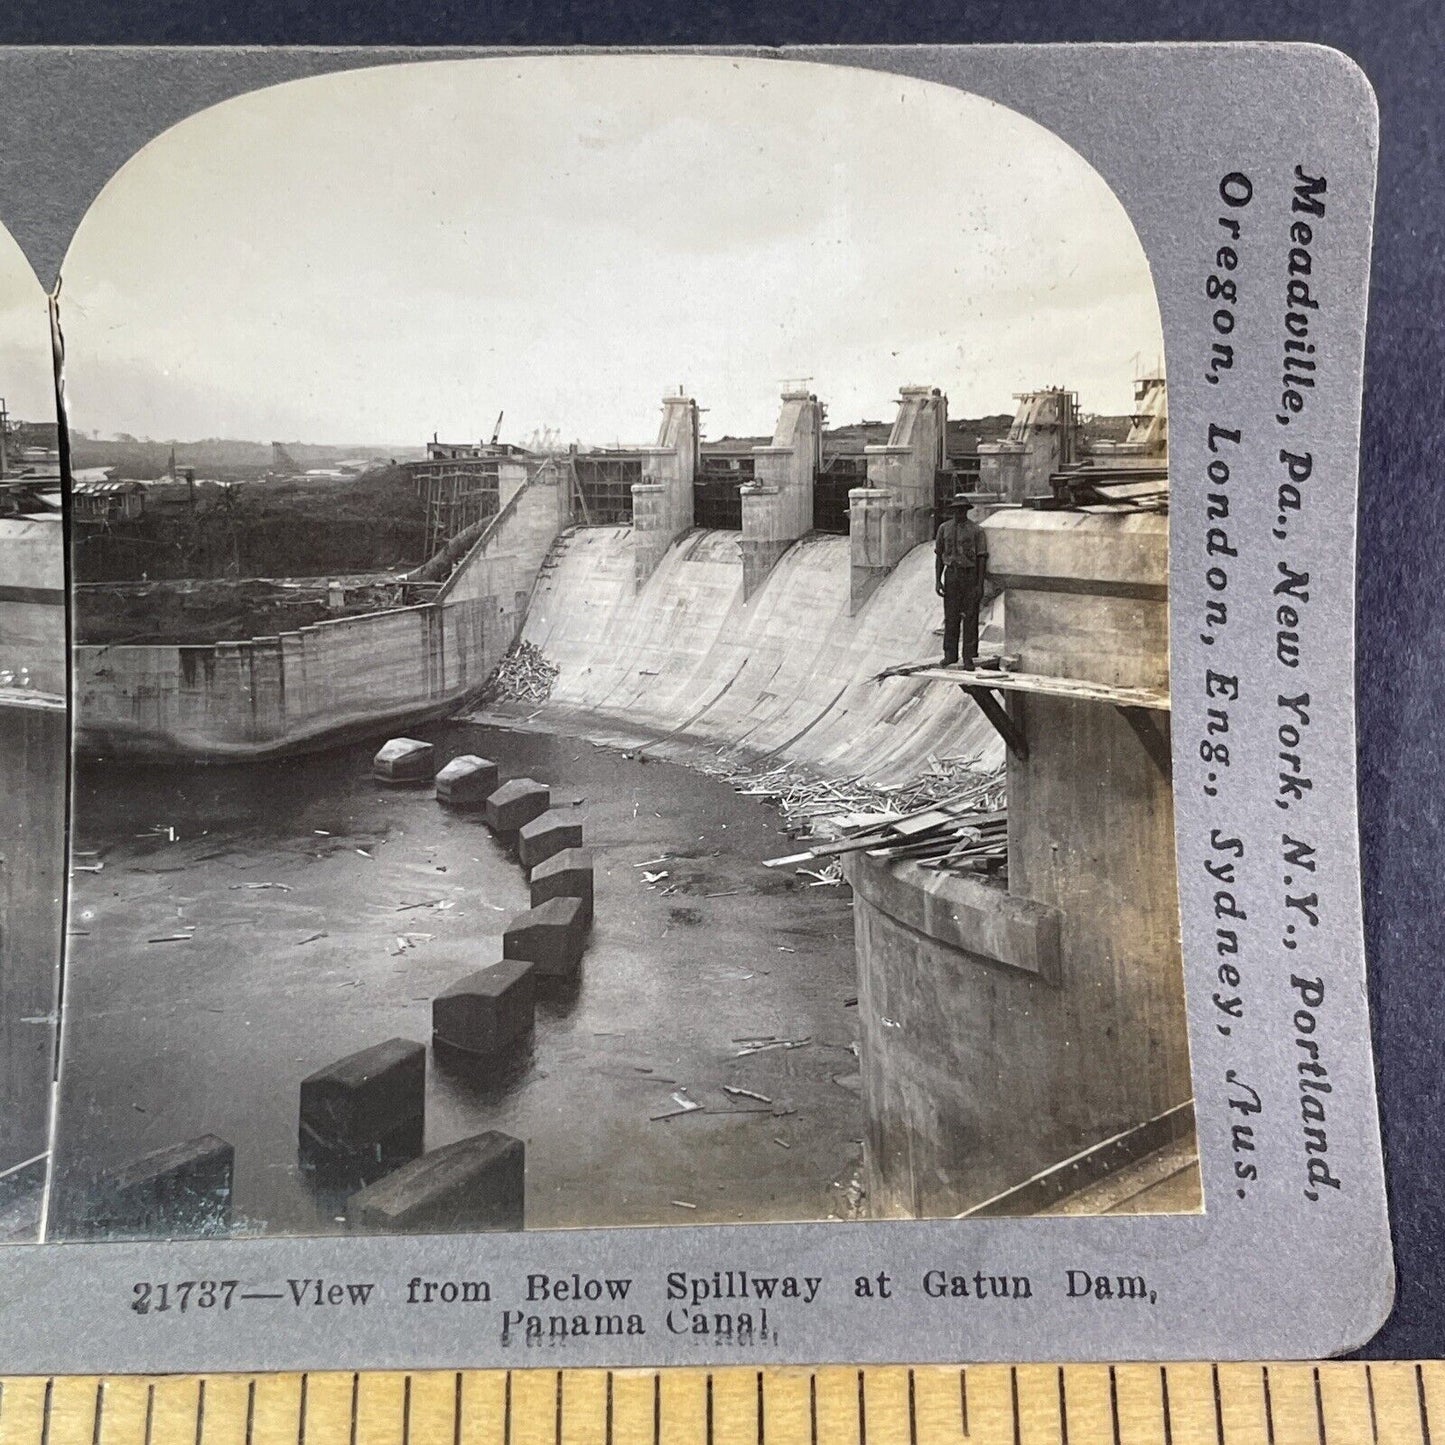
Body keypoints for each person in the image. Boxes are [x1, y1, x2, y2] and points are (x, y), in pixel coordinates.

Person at [935, 494, 987, 666]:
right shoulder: (944, 529)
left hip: (969, 576)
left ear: (966, 511)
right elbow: (939, 556)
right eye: (956, 510)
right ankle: (950, 654)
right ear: (953, 511)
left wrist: (979, 585)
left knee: (970, 617)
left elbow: (981, 558)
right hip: (951, 575)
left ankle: (969, 656)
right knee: (951, 617)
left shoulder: (976, 531)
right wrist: (937, 580)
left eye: (962, 509)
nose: (959, 513)